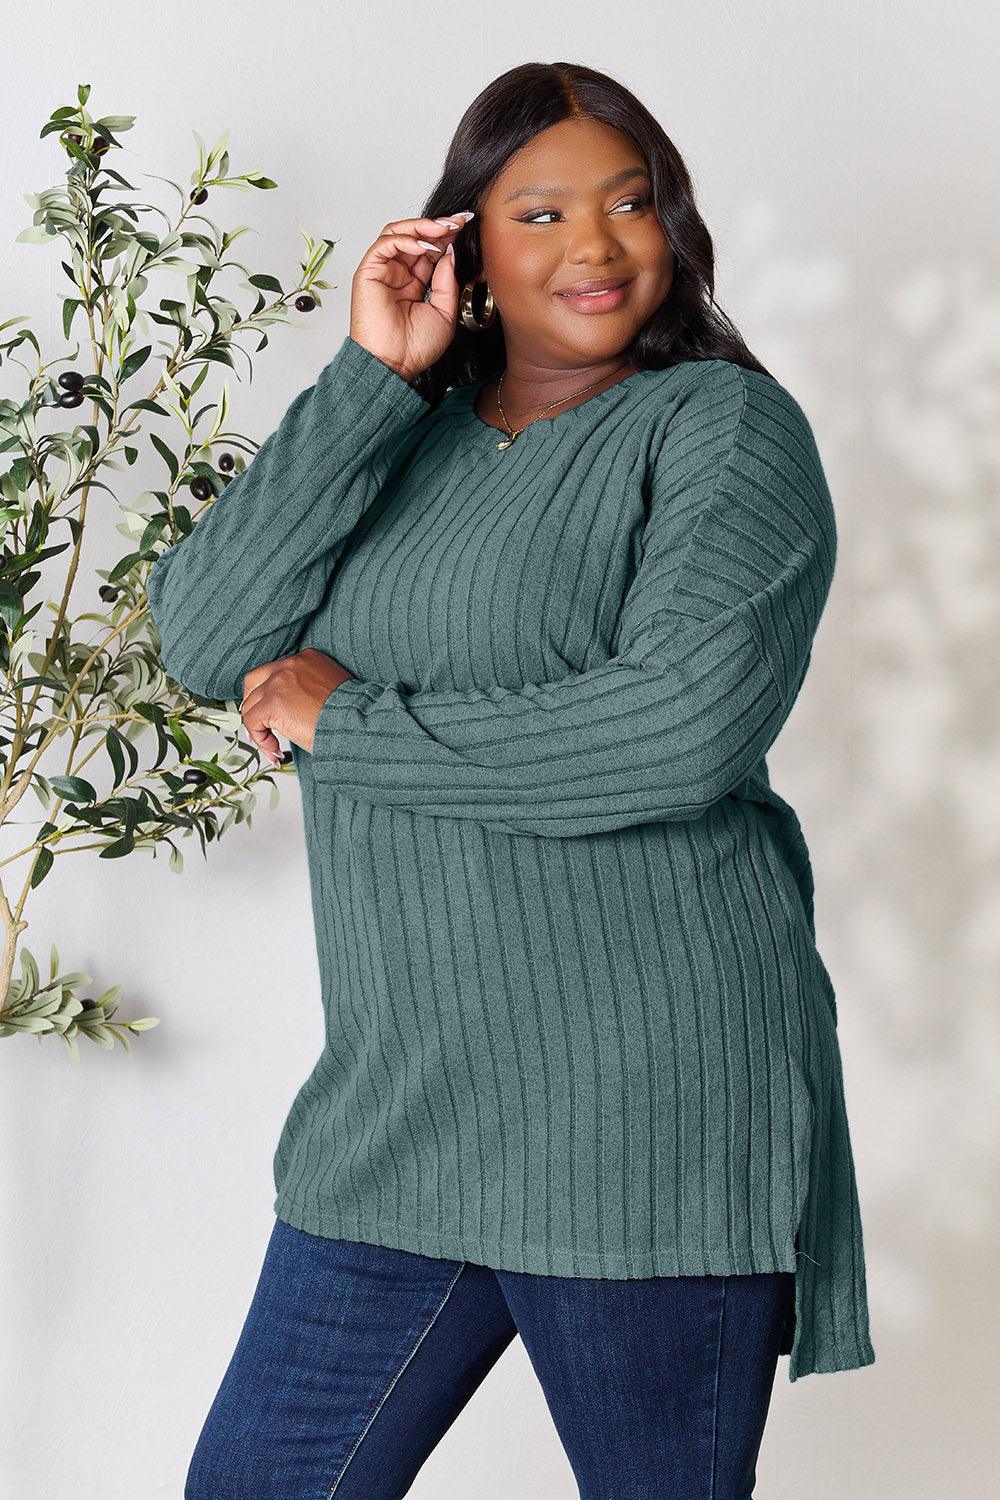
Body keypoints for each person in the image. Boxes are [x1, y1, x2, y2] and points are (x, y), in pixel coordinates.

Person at [148, 60, 875, 1500]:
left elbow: (677, 727)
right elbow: (209, 640)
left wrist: (351, 724)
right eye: (539, 213)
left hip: (645, 1112)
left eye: (630, 203)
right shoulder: (400, 440)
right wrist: (373, 380)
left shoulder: (721, 430)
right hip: (401, 1108)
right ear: (466, 242)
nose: (595, 246)